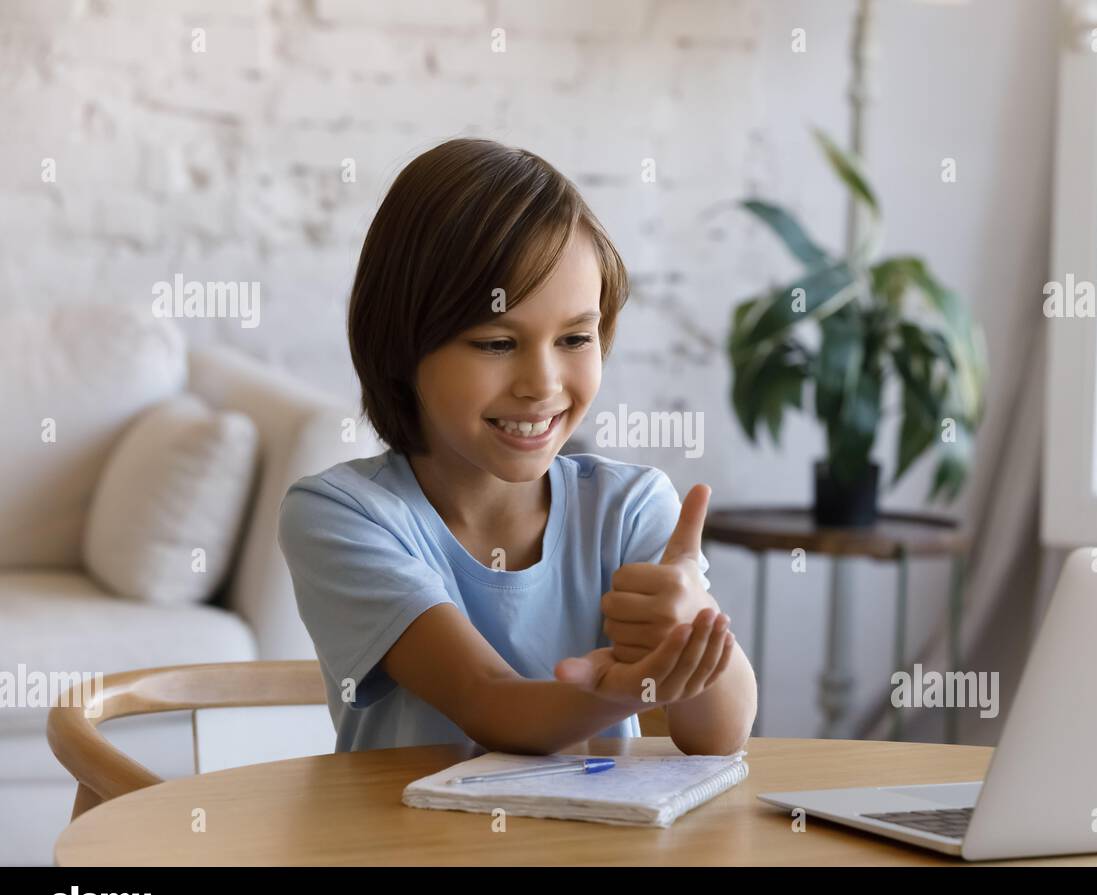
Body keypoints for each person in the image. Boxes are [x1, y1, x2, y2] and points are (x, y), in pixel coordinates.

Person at [277, 138, 757, 756]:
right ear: (402, 345)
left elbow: (718, 737)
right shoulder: (341, 516)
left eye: (576, 338)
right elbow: (488, 699)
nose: (543, 385)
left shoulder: (628, 507)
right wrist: (620, 692)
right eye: (497, 344)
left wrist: (694, 630)